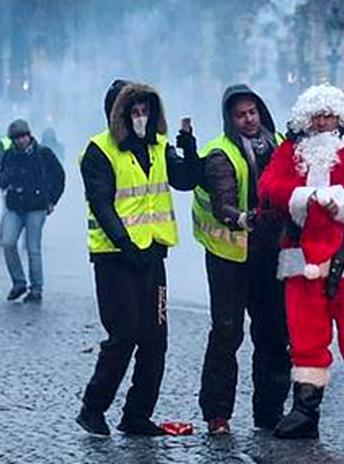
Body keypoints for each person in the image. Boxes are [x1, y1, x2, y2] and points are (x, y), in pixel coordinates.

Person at [259, 84, 344, 444]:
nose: (322, 123)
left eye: (328, 116)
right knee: (305, 336)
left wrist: (341, 198)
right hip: (301, 258)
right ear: (306, 119)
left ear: (339, 117)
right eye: (316, 117)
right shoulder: (291, 150)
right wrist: (301, 197)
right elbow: (269, 186)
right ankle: (305, 413)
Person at [76, 80, 201, 437]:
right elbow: (101, 202)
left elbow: (186, 179)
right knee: (124, 335)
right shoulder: (99, 150)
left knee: (155, 339)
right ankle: (93, 407)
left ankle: (136, 415)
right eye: (135, 111)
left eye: (146, 110)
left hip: (152, 256)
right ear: (120, 115)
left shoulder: (161, 146)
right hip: (114, 258)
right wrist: (124, 243)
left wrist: (187, 144)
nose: (141, 117)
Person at [193, 85, 290, 435]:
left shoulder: (279, 142)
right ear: (230, 120)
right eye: (240, 115)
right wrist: (246, 218)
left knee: (275, 333)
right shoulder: (219, 154)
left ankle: (270, 412)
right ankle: (218, 415)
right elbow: (223, 204)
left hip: (271, 253)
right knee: (227, 333)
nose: (248, 119)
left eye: (252, 112)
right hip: (229, 256)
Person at [0, 118, 65, 303]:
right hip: (15, 205)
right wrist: (1, 181)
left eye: (23, 136)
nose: (21, 141)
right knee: (8, 243)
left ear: (29, 136)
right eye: (17, 138)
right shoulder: (10, 155)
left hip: (36, 206)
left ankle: (37, 288)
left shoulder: (43, 154)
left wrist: (52, 200)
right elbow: (6, 173)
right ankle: (19, 283)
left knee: (33, 249)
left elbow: (59, 176)